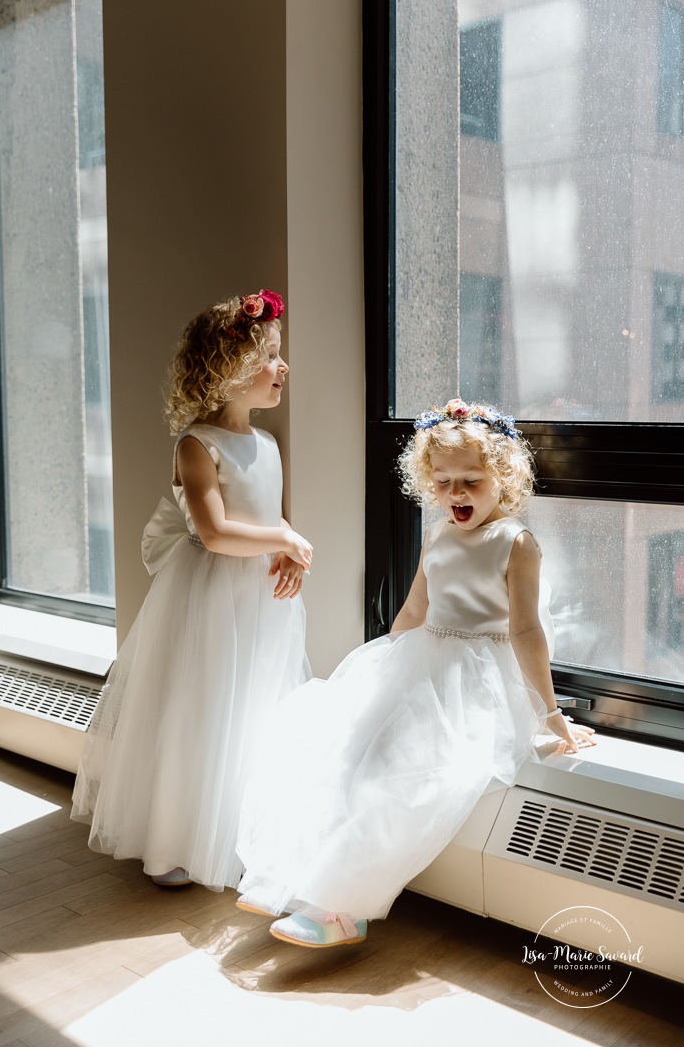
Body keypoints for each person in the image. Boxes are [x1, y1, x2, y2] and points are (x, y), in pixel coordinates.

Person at [235, 398, 596, 947]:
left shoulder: (516, 543)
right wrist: (381, 664)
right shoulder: (438, 536)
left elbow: (526, 632)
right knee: (345, 747)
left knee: (407, 782)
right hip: (423, 660)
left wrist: (550, 715)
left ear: (503, 476)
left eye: (471, 481)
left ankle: (341, 908)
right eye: (444, 481)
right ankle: (290, 879)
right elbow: (413, 610)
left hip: (478, 681)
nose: (456, 494)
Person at [71, 289, 312, 891]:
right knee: (202, 712)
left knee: (255, 709)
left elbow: (267, 525)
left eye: (280, 357)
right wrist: (285, 539)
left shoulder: (270, 444)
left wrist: (292, 551)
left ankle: (237, 832)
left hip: (262, 602)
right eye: (270, 356)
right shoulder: (195, 445)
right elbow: (215, 531)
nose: (282, 368)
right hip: (212, 599)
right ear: (228, 370)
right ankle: (179, 840)